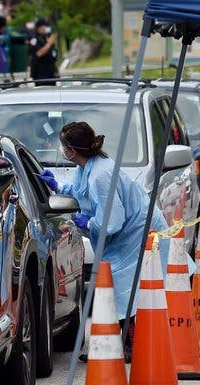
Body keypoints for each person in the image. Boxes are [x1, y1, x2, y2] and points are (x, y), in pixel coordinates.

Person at [39, 121, 174, 360]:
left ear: (71, 149)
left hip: (138, 230)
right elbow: (80, 191)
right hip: (127, 231)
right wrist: (58, 185)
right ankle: (113, 342)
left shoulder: (100, 174)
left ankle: (128, 344)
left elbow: (111, 221)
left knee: (123, 286)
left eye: (63, 145)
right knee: (117, 285)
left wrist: (89, 223)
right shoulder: (88, 167)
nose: (61, 150)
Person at [29, 18, 58, 86]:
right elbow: (39, 53)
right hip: (40, 74)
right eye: (44, 26)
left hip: (50, 72)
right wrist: (49, 44)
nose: (46, 28)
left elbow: (53, 57)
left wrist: (56, 71)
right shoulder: (34, 39)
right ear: (38, 28)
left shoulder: (47, 38)